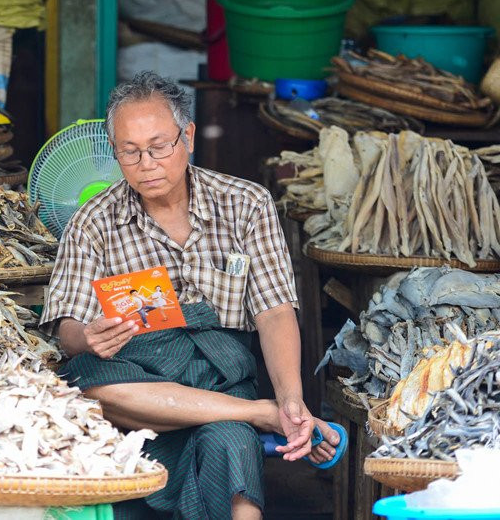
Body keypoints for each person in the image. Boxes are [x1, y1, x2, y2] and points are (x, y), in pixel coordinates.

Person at [40, 72, 341, 520]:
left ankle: (259, 413)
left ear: (189, 137)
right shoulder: (93, 221)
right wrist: (88, 336)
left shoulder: (246, 204)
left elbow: (275, 311)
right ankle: (258, 412)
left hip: (220, 375)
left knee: (231, 443)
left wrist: (291, 399)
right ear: (114, 151)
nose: (147, 163)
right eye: (130, 151)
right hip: (140, 381)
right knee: (86, 382)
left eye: (159, 146)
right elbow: (66, 329)